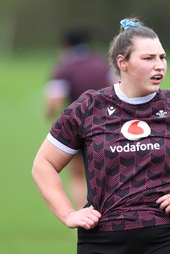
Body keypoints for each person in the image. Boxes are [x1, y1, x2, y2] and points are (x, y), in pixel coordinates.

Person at [32, 17, 170, 254]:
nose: (160, 65)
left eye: (162, 57)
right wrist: (68, 214)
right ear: (122, 63)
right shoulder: (88, 108)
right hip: (101, 239)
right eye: (148, 58)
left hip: (169, 237)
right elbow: (44, 164)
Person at [43, 25, 116, 208]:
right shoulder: (102, 62)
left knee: (77, 176)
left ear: (66, 44)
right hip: (110, 124)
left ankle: (86, 218)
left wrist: (49, 115)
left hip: (78, 126)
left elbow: (54, 100)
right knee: (110, 175)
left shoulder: (64, 66)